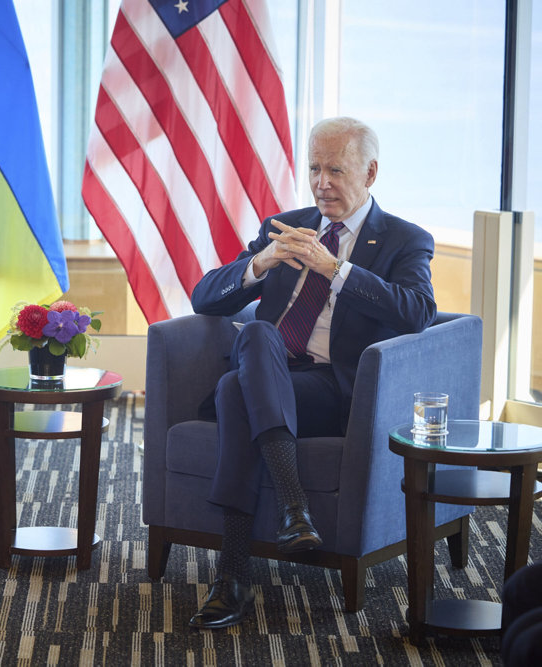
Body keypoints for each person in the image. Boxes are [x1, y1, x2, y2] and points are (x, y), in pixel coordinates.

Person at [186, 117, 437, 629]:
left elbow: (418, 311)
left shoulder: (404, 240)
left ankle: (232, 576)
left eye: (336, 170)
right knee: (256, 338)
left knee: (237, 389)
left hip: (329, 390)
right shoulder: (285, 225)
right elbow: (204, 298)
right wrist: (263, 260)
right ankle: (293, 510)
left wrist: (334, 269)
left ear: (369, 172)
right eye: (315, 168)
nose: (322, 182)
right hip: (269, 370)